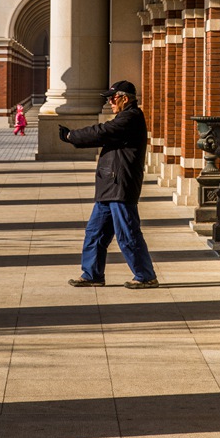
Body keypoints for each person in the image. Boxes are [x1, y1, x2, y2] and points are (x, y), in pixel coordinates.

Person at [59, 80, 159, 289]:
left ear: (124, 98)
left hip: (120, 186)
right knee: (95, 232)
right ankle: (92, 274)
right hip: (109, 186)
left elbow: (101, 132)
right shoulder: (124, 117)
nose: (109, 102)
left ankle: (145, 275)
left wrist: (72, 136)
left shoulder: (130, 118)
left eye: (112, 98)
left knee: (127, 233)